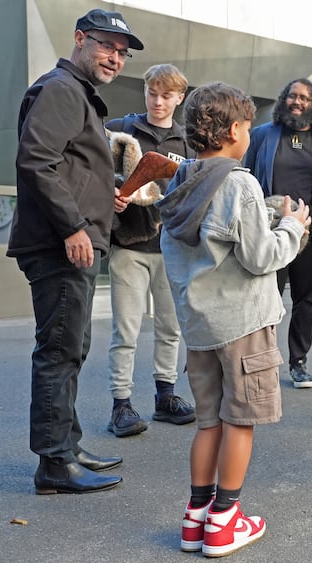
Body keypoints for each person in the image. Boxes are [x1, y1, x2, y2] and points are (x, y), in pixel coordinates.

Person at [156, 82, 311, 557]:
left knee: (209, 424)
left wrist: (265, 211)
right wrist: (293, 227)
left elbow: (212, 234)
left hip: (201, 330)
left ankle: (196, 518)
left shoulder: (181, 178)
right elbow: (261, 255)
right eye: (247, 126)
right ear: (235, 130)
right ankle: (226, 520)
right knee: (240, 422)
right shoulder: (239, 181)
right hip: (243, 326)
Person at [6, 8, 143, 494]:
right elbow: (36, 161)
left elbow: (68, 171)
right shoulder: (62, 89)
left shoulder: (77, 94)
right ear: (80, 39)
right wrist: (73, 227)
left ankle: (68, 445)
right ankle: (54, 464)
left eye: (123, 53)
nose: (116, 58)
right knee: (60, 350)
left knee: (71, 347)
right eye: (107, 46)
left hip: (69, 241)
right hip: (58, 245)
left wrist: (106, 195)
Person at [104, 64, 196, 438]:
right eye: (152, 93)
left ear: (179, 98)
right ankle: (120, 404)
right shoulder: (122, 129)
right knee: (125, 330)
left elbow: (194, 189)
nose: (157, 101)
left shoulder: (187, 141)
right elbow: (97, 172)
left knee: (169, 328)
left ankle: (166, 396)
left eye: (166, 95)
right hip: (127, 245)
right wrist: (111, 193)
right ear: (145, 92)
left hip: (170, 246)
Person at [243, 78, 312, 389]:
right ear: (283, 100)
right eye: (291, 96)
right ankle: (264, 359)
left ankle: (298, 361)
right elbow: (248, 177)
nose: (297, 102)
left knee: (307, 299)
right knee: (264, 298)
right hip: (270, 232)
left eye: (304, 97)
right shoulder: (262, 136)